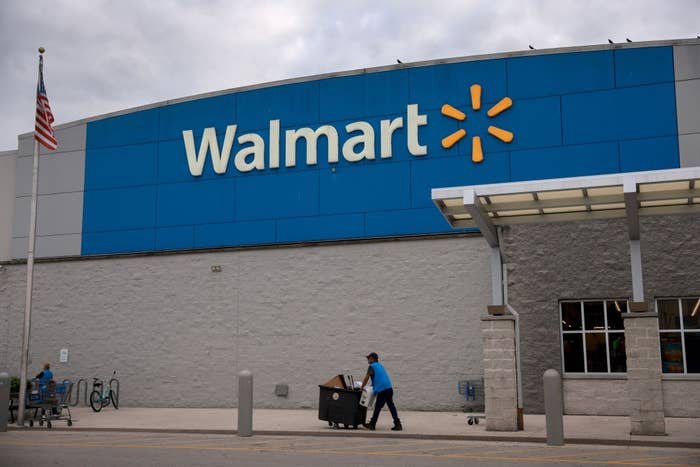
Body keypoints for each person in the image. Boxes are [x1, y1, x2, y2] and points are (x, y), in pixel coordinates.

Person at [360, 352, 402, 431]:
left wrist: (362, 387)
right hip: (389, 388)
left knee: (377, 407)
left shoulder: (371, 366)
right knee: (391, 406)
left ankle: (372, 424)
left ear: (372, 359)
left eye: (368, 358)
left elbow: (366, 378)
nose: (367, 360)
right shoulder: (380, 366)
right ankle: (398, 424)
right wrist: (373, 385)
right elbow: (379, 378)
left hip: (382, 390)